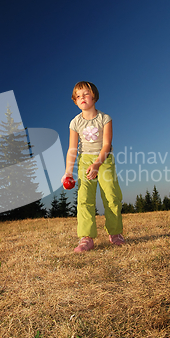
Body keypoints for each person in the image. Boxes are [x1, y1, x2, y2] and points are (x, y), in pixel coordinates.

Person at [61, 81, 125, 253]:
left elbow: (106, 145)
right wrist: (68, 172)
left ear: (94, 96)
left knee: (112, 196)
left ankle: (115, 233)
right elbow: (72, 149)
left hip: (103, 160)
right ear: (75, 100)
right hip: (84, 161)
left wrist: (97, 164)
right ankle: (86, 238)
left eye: (86, 94)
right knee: (84, 199)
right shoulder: (74, 123)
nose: (82, 98)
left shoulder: (105, 119)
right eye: (78, 96)